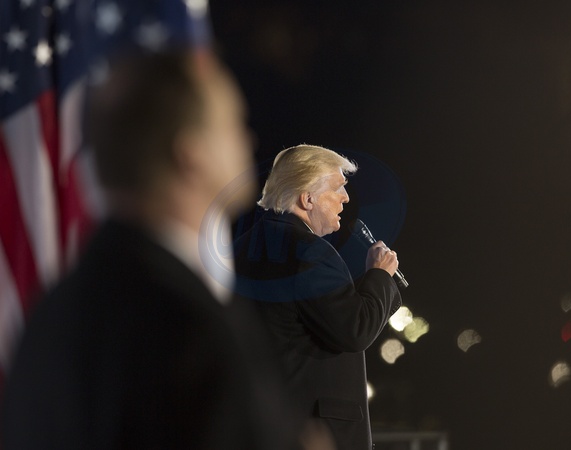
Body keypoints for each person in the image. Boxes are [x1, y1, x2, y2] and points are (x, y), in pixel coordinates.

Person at [0, 50, 301, 449]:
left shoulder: (53, 310)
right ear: (191, 154)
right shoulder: (185, 327)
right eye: (233, 125)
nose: (249, 139)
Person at [234, 144, 403, 450]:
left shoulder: (239, 249)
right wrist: (379, 275)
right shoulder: (310, 250)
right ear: (307, 198)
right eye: (337, 187)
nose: (346, 198)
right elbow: (355, 329)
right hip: (316, 433)